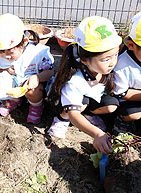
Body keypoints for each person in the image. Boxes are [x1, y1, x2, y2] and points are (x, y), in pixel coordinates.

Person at [47, 16, 122, 154]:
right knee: (80, 105)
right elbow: (74, 113)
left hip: (92, 98)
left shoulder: (106, 68)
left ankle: (88, 115)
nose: (113, 62)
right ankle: (60, 120)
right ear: (85, 60)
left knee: (112, 105)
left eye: (115, 55)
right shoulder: (75, 81)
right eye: (106, 59)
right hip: (68, 104)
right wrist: (97, 134)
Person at [0, 13, 54, 124]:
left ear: (24, 42)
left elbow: (50, 72)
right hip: (15, 82)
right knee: (4, 76)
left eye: (10, 52)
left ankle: (36, 106)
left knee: (32, 91)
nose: (6, 56)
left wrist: (37, 77)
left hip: (34, 85)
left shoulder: (37, 53)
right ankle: (13, 100)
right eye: (1, 52)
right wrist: (6, 70)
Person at [113, 12, 141, 134]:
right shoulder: (122, 65)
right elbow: (121, 93)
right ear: (131, 45)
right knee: (131, 114)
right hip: (130, 101)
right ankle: (120, 129)